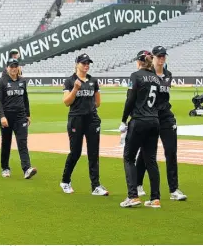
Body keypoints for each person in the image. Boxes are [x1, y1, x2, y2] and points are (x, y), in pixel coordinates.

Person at [134, 46, 187, 201]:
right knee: (146, 153)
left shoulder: (168, 75)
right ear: (153, 58)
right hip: (149, 117)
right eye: (159, 56)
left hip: (165, 117)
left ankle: (174, 189)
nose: (162, 59)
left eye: (164, 56)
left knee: (171, 151)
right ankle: (137, 184)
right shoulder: (147, 75)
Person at [60, 53, 108, 196]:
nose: (86, 65)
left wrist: (89, 109)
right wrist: (75, 89)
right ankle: (65, 180)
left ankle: (95, 185)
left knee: (94, 153)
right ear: (77, 64)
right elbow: (66, 102)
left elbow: (98, 102)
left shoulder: (93, 80)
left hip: (92, 119)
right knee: (75, 152)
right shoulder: (70, 81)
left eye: (88, 63)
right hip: (76, 119)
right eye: (83, 63)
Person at [119, 50, 162, 209]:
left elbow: (130, 99)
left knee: (129, 157)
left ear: (139, 61)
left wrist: (124, 120)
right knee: (150, 159)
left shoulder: (136, 76)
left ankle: (133, 196)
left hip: (139, 121)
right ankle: (155, 198)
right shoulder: (156, 78)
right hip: (154, 120)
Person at [0, 58, 37, 179]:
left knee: (22, 142)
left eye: (15, 66)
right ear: (7, 68)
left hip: (20, 116)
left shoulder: (22, 81)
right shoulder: (2, 82)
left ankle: (27, 168)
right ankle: (5, 168)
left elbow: (25, 98)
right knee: (6, 143)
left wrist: (27, 114)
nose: (14, 69)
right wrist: (2, 116)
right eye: (11, 66)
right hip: (7, 117)